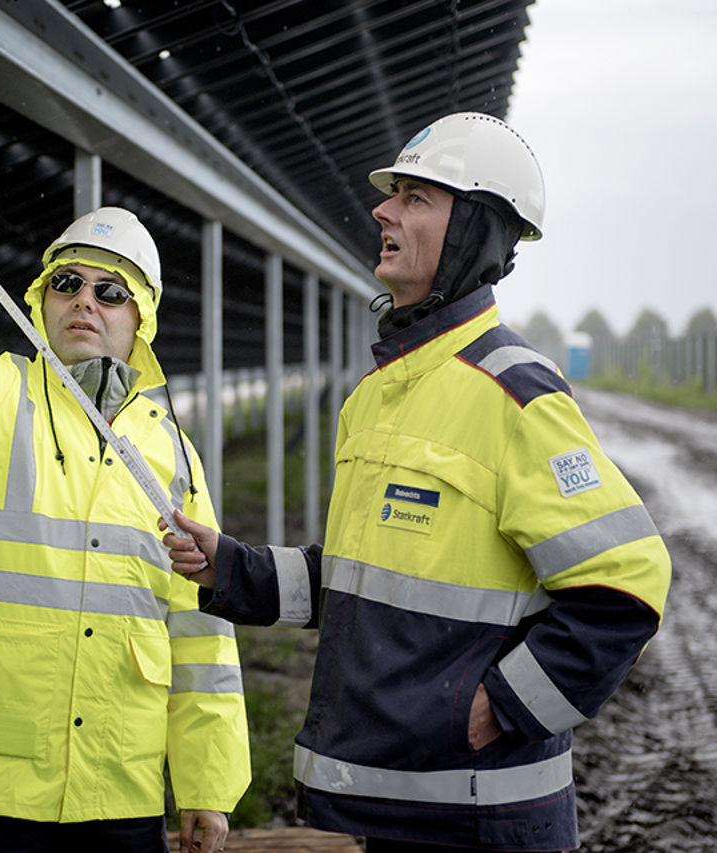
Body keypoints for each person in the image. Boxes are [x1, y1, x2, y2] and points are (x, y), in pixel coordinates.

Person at [163, 113, 672, 852]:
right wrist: (230, 565)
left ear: (472, 228)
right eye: (393, 194)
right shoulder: (376, 394)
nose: (383, 210)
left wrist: (503, 704)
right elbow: (357, 576)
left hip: (471, 820)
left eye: (415, 198)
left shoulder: (515, 393)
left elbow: (627, 581)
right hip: (352, 805)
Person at [0, 150, 249, 853]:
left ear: (143, 322)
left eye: (112, 292)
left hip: (119, 782)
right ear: (41, 301)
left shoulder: (171, 455)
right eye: (68, 283)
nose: (85, 301)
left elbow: (202, 634)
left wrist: (206, 783)